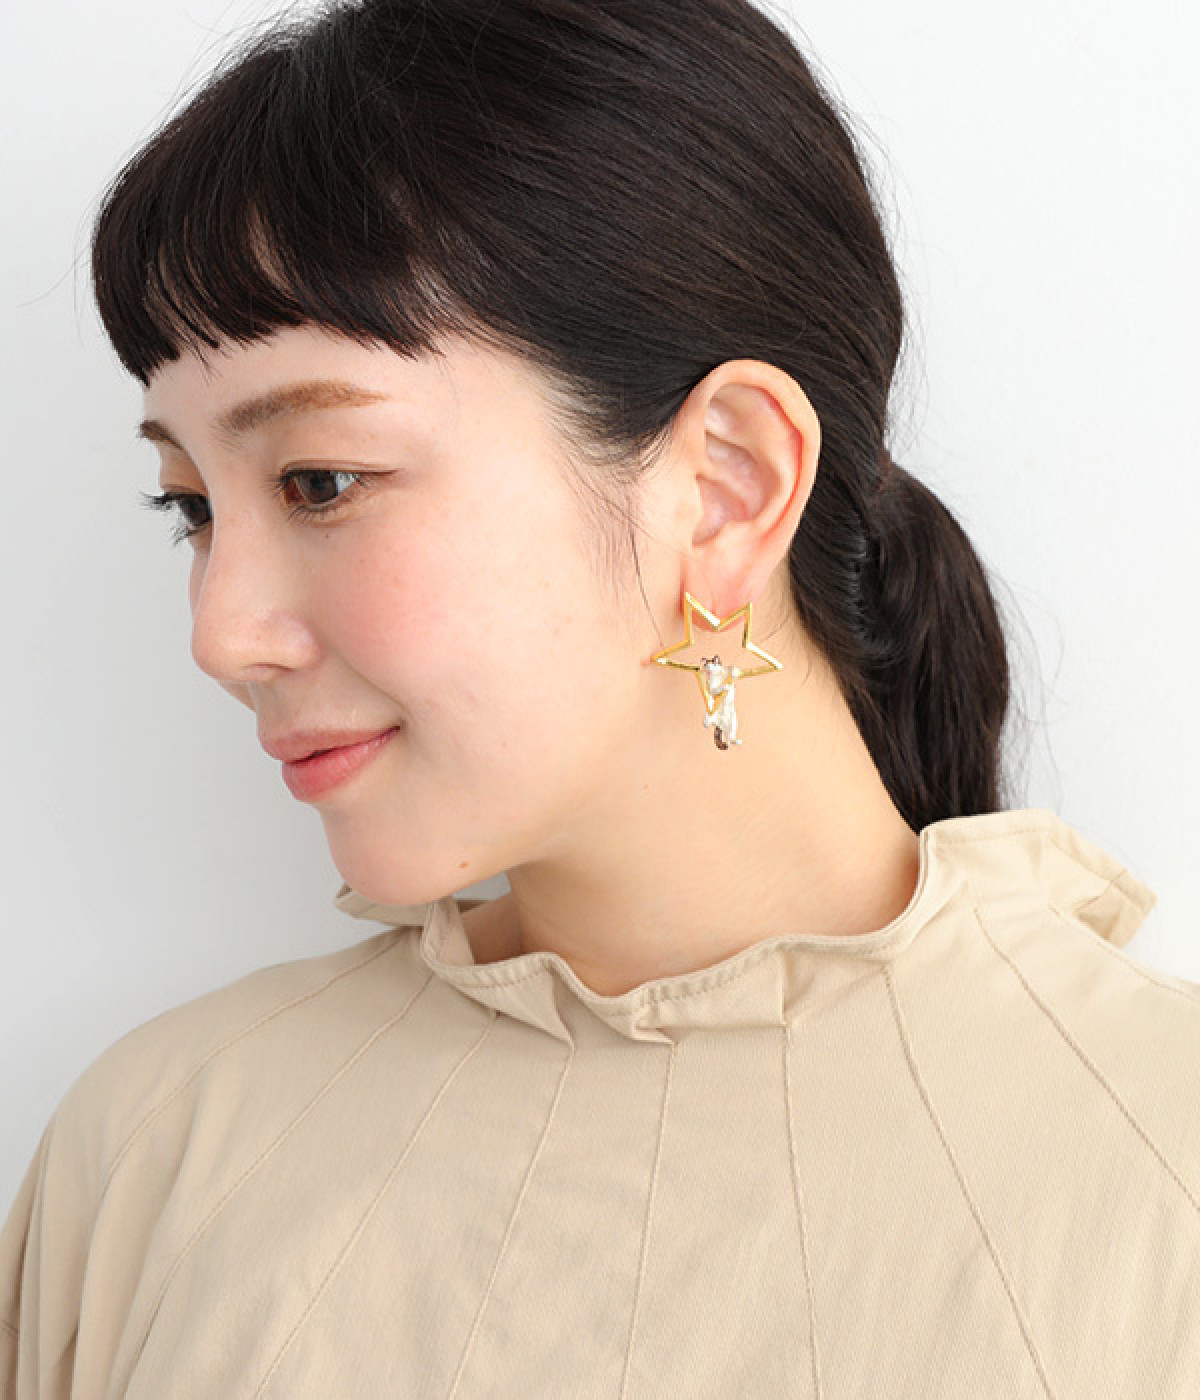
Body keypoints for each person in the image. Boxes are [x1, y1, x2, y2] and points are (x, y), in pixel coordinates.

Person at [2, 0, 1197, 1395]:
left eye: (320, 481)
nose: (221, 636)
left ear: (726, 485)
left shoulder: (1159, 1180)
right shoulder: (155, 1155)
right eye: (192, 507)